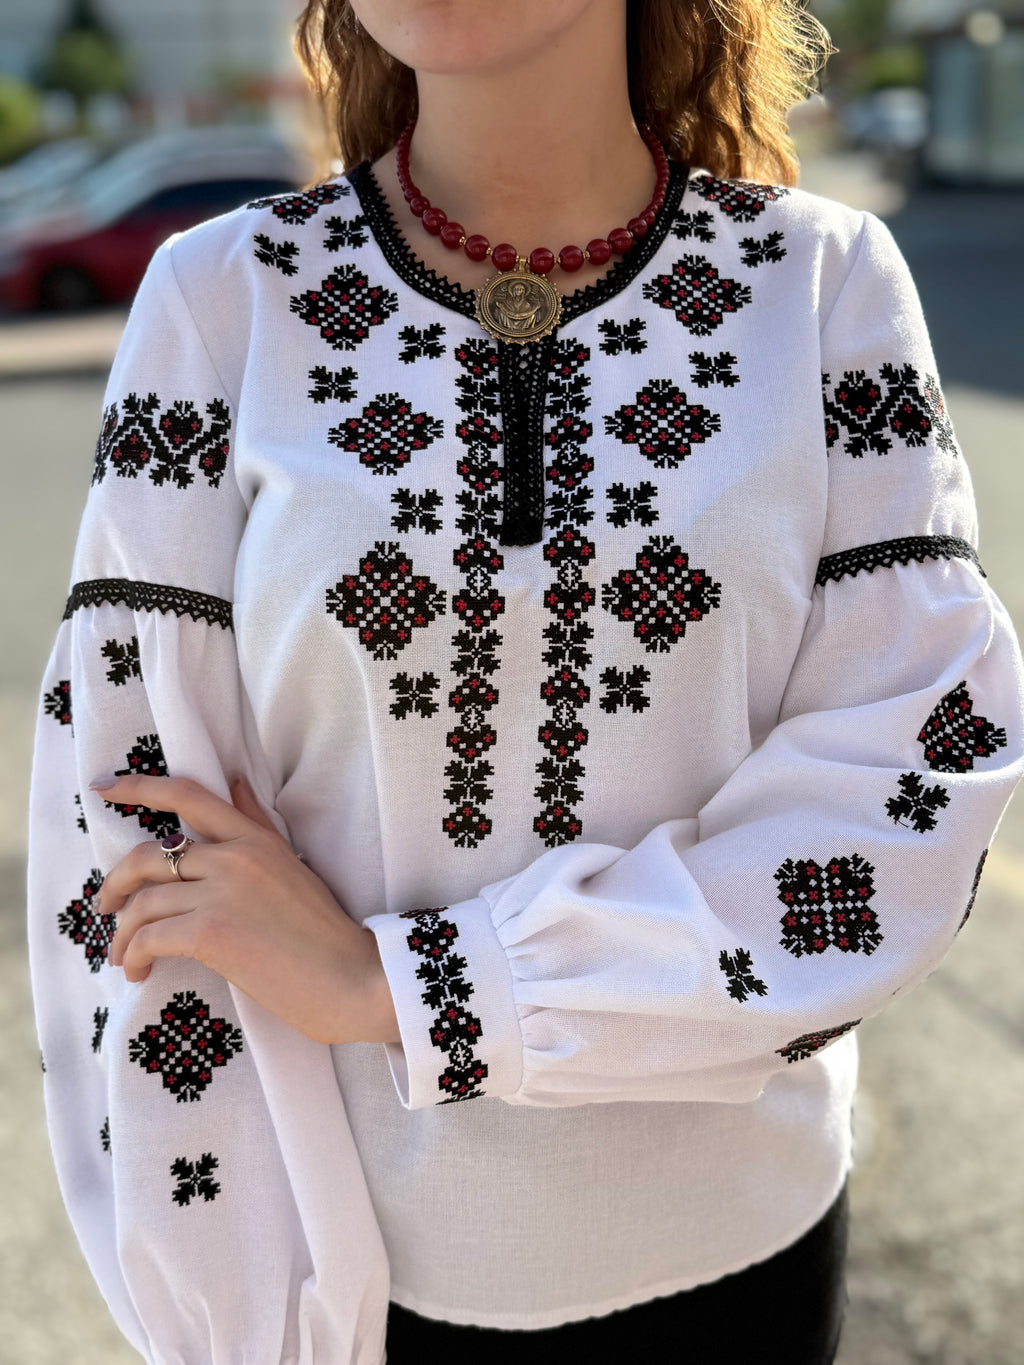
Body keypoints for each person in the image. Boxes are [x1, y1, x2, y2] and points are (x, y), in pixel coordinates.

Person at [26, 2, 1024, 1363]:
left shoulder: (825, 288)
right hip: (354, 1280)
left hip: (739, 1257)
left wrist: (416, 988)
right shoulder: (222, 305)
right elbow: (138, 860)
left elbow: (905, 799)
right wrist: (237, 1310)